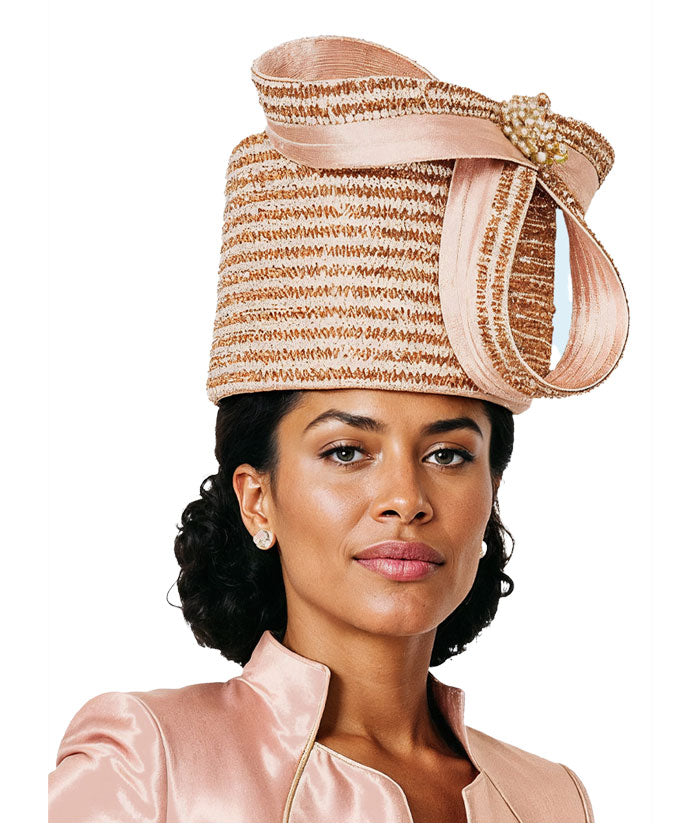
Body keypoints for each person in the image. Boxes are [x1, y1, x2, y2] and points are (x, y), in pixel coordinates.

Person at [48, 34, 628, 823]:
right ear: (257, 500)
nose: (405, 498)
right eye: (347, 450)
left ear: (492, 493)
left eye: (449, 454)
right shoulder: (149, 759)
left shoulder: (551, 798)